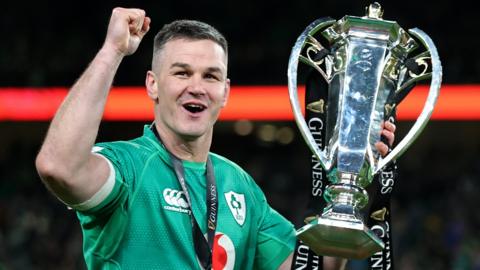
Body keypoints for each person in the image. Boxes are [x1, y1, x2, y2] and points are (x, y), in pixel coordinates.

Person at [35, 7, 396, 270]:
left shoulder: (239, 185)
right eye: (181, 73)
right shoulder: (128, 167)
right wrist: (112, 51)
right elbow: (59, 167)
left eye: (210, 76)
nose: (196, 87)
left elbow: (315, 267)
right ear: (153, 84)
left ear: (225, 92)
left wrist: (360, 175)